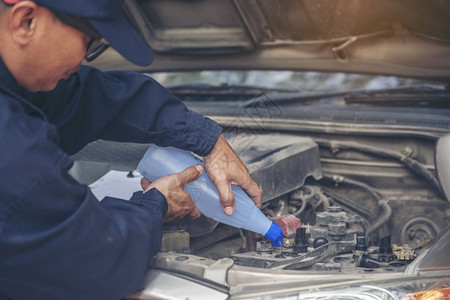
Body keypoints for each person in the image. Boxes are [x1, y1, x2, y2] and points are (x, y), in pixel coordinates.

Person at [0, 0, 262, 299]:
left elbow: (93, 98)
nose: (84, 61)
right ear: (26, 21)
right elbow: (95, 264)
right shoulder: (10, 142)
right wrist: (154, 204)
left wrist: (210, 141)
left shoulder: (16, 83)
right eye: (90, 42)